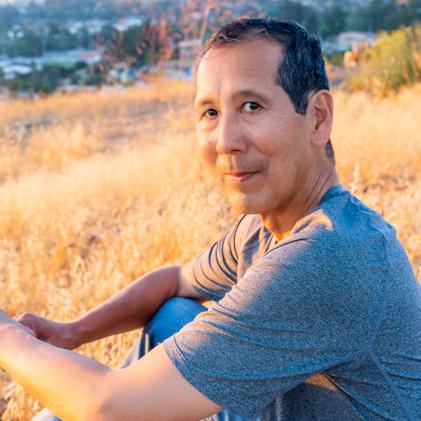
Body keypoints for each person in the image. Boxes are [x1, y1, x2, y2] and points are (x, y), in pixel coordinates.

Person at [0, 18, 420, 421]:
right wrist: (73, 331)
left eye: (252, 106)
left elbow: (106, 406)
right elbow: (175, 282)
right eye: (211, 112)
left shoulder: (329, 256)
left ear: (318, 117)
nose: (225, 142)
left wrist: (9, 338)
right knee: (174, 314)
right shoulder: (264, 227)